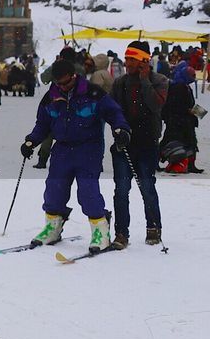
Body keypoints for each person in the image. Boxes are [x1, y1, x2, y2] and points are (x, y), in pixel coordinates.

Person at [20, 58, 130, 252]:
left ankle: (100, 230)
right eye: (58, 83)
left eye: (65, 82)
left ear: (73, 76)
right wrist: (31, 141)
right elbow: (43, 124)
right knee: (54, 189)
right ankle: (53, 227)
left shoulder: (93, 93)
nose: (62, 87)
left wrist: (121, 129)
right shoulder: (51, 97)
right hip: (62, 148)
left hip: (88, 148)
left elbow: (114, 112)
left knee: (87, 191)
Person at [110, 41, 167, 246]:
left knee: (147, 187)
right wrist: (118, 129)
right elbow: (112, 110)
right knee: (121, 189)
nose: (127, 63)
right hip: (124, 143)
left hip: (147, 143)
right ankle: (121, 233)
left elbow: (155, 105)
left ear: (144, 60)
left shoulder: (159, 80)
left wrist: (144, 80)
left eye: (132, 59)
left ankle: (153, 227)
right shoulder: (120, 83)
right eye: (126, 59)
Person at [160, 61, 201, 173]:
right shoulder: (178, 87)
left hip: (183, 120)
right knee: (177, 142)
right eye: (192, 76)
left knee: (188, 142)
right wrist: (188, 110)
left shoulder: (184, 86)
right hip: (178, 121)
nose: (193, 78)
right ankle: (164, 162)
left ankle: (189, 165)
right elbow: (175, 105)